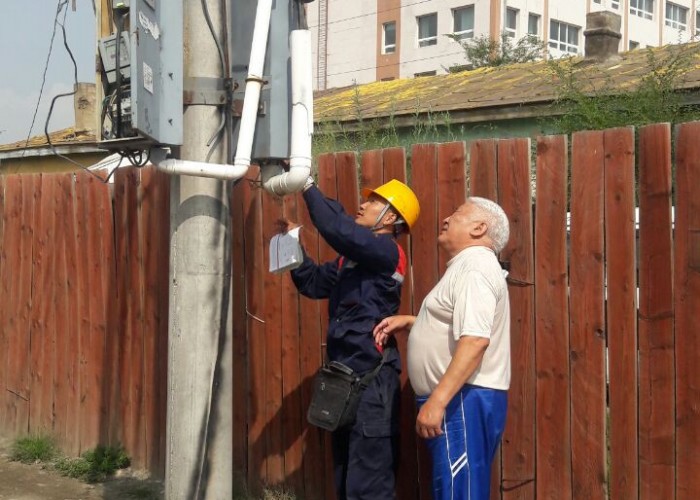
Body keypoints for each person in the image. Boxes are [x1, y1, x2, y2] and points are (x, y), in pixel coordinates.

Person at [282, 175, 420, 500]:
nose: (363, 204)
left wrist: (306, 184)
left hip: (373, 385)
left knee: (369, 485)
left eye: (373, 202)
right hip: (344, 384)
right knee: (346, 479)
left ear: (390, 217)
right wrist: (291, 244)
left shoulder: (387, 252)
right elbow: (314, 283)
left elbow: (339, 229)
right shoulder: (351, 259)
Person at [373, 197, 511, 500]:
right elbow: (457, 324)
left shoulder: (474, 267)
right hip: (462, 398)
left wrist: (437, 401)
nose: (446, 218)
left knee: (460, 491)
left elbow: (475, 340)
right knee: (454, 487)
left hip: (462, 400)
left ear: (479, 228)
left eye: (457, 214)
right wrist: (415, 322)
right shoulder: (468, 266)